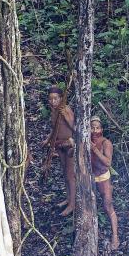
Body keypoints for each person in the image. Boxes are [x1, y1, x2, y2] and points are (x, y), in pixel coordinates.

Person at [42, 86, 76, 216]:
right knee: (65, 174)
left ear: (61, 99)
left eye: (55, 99)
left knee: (70, 175)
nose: (53, 101)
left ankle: (73, 204)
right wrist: (47, 140)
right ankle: (68, 199)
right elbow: (55, 128)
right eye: (50, 99)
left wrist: (66, 117)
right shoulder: (54, 111)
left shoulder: (65, 110)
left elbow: (74, 127)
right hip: (59, 145)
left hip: (69, 145)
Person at [90, 116, 119, 250]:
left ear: (101, 129)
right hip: (89, 179)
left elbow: (108, 162)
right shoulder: (86, 141)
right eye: (92, 128)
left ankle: (115, 237)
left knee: (108, 206)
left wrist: (95, 150)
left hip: (103, 178)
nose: (94, 131)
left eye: (97, 128)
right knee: (90, 207)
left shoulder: (106, 143)